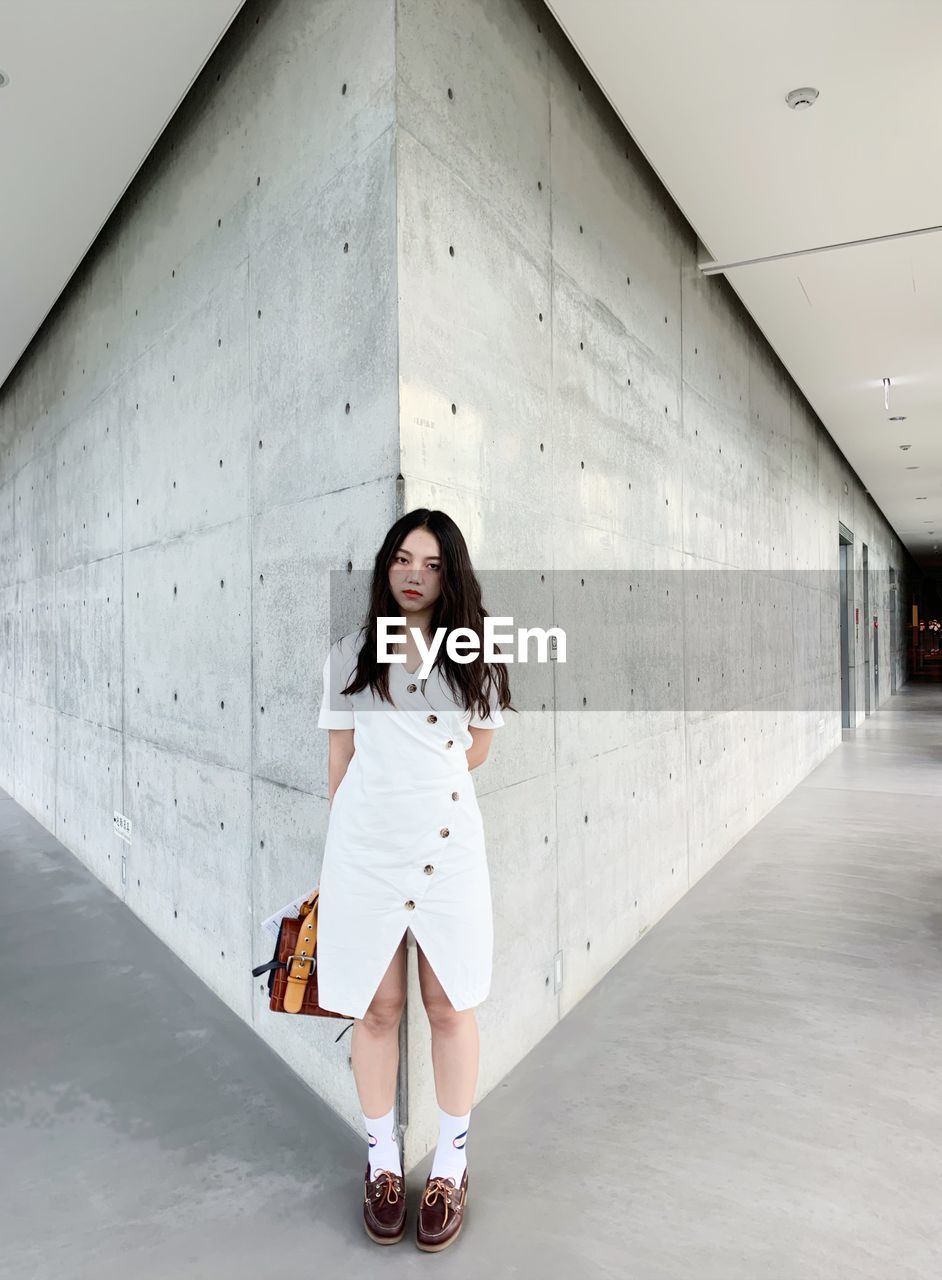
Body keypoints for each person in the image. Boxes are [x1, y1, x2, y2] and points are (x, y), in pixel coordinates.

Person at [316, 508, 512, 1251]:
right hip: (364, 848)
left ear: (450, 574)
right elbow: (339, 766)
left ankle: (452, 1167)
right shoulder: (348, 654)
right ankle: (383, 1164)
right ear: (385, 565)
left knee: (449, 1002)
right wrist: (371, 818)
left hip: (447, 847)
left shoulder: (477, 655)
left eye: (431, 564)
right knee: (376, 1008)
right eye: (403, 558)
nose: (414, 574)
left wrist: (419, 788)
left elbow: (480, 749)